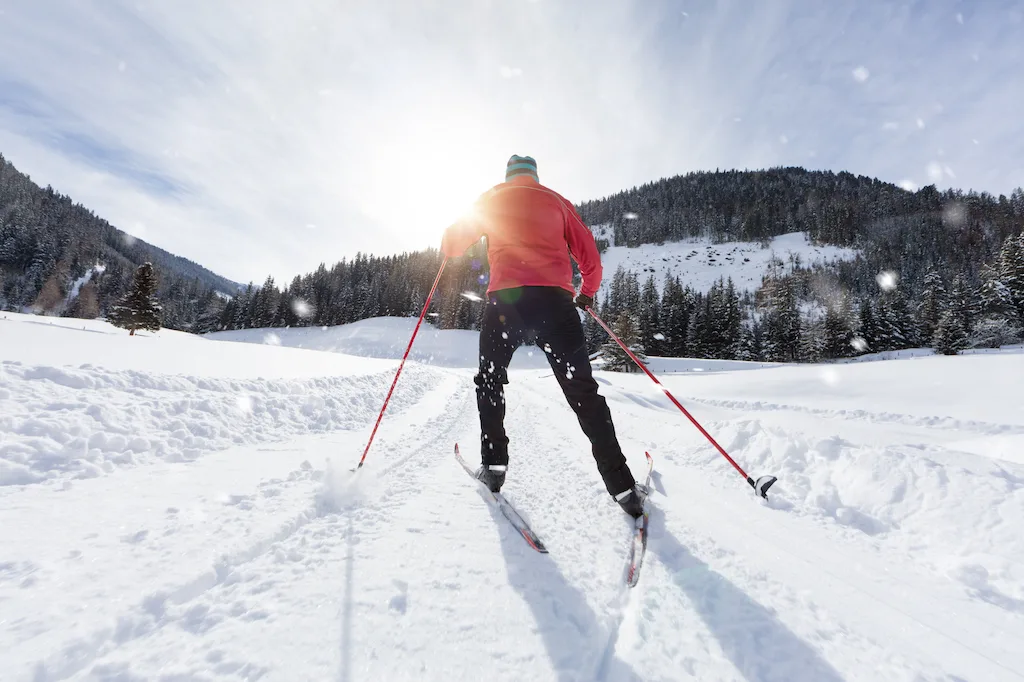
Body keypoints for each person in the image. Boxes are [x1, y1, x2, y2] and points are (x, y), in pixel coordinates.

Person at [441, 155, 646, 518]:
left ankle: (494, 467)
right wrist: (587, 293)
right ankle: (624, 488)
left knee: (490, 381)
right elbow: (590, 258)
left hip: (506, 304)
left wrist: (450, 244)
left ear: (508, 176)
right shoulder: (557, 201)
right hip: (555, 305)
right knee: (583, 392)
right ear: (535, 175)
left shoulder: (491, 199)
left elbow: (454, 243)